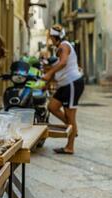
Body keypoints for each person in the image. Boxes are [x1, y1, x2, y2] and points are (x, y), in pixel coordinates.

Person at [43, 24, 85, 155]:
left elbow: (63, 63)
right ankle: (73, 128)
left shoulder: (64, 46)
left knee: (70, 115)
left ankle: (70, 146)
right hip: (65, 85)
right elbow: (58, 67)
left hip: (72, 84)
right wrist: (46, 82)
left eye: (50, 37)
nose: (50, 39)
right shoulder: (59, 49)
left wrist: (49, 74)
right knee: (52, 106)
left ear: (54, 37)